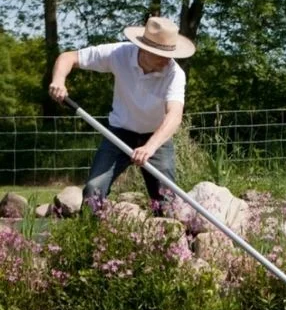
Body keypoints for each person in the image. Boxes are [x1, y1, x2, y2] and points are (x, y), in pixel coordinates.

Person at [48, 16, 195, 208]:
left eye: (170, 54)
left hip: (155, 137)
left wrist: (149, 148)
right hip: (119, 132)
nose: (167, 60)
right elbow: (69, 57)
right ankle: (93, 233)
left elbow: (174, 116)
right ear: (144, 49)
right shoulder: (119, 53)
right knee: (94, 190)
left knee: (166, 199)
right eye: (161, 54)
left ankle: (168, 234)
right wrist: (58, 81)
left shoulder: (174, 74)